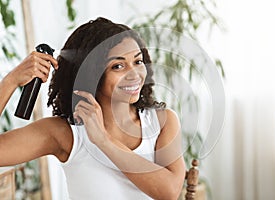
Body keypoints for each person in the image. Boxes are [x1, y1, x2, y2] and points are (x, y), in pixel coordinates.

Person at [0, 17, 185, 199]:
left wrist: (104, 141)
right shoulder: (66, 134)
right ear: (92, 74)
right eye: (118, 66)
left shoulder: (162, 122)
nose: (134, 74)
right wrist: (10, 81)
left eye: (138, 61)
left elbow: (169, 192)